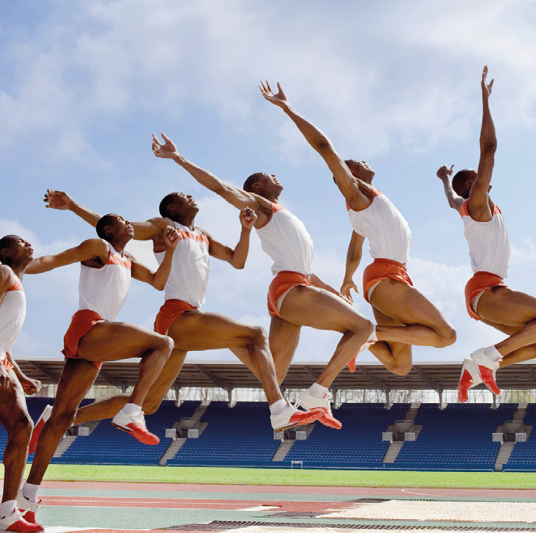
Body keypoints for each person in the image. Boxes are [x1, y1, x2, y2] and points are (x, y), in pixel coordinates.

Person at [42, 190, 320, 434]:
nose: (191, 197)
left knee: (148, 404)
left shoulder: (203, 235)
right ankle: (279, 410)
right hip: (178, 316)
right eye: (183, 196)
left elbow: (238, 260)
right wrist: (74, 206)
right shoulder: (164, 227)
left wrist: (245, 230)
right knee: (255, 334)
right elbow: (118, 228)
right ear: (173, 209)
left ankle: (59, 419)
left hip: (187, 320)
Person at [151, 132, 373, 424]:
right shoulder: (261, 205)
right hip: (289, 288)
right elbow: (219, 187)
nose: (276, 175)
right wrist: (178, 158)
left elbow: (307, 270)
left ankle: (230, 339)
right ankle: (317, 395)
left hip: (294, 284)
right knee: (363, 327)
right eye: (269, 175)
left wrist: (334, 292)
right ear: (257, 187)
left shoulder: (284, 215)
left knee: (273, 372)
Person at [259, 82, 455, 376]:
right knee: (446, 336)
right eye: (353, 163)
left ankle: (367, 336)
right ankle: (367, 333)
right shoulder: (357, 196)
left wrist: (347, 279)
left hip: (381, 277)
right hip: (387, 276)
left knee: (400, 365)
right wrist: (288, 108)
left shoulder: (365, 211)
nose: (361, 161)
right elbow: (325, 148)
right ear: (347, 175)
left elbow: (355, 248)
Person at [17, 213, 179, 523]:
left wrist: (170, 250)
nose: (129, 222)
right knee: (162, 344)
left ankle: (29, 490)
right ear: (108, 229)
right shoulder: (99, 247)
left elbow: (159, 282)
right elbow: (53, 259)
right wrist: (15, 270)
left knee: (63, 417)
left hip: (97, 341)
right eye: (121, 220)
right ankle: (132, 411)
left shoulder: (126, 258)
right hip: (90, 326)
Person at [437, 67, 536, 400]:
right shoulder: (477, 204)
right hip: (487, 288)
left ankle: (484, 365)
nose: (485, 177)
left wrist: (442, 182)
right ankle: (485, 358)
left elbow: (452, 201)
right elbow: (489, 148)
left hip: (485, 292)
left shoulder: (467, 207)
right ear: (471, 185)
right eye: (477, 177)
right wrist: (485, 100)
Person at [0, 236, 44, 533]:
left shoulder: (15, 278)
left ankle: (7, 510)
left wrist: (18, 371)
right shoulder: (2, 271)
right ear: (5, 252)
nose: (29, 243)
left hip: (3, 361)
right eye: (21, 241)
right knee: (22, 426)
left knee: (23, 427)